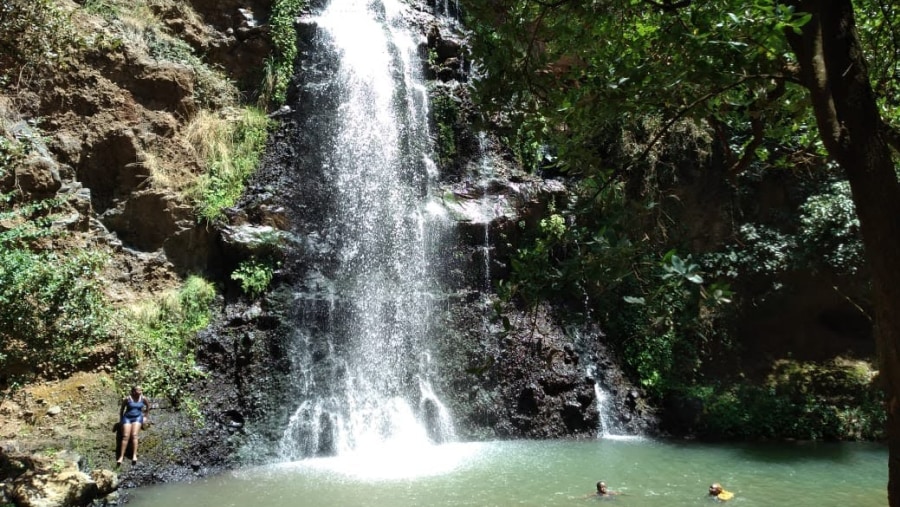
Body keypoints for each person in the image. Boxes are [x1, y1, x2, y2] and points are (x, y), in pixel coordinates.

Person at [117, 385, 150, 466]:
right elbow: (122, 410)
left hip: (137, 418)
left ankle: (134, 455)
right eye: (138, 390)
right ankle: (121, 456)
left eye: (141, 390)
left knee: (134, 435)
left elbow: (148, 407)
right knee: (125, 436)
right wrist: (121, 420)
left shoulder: (143, 398)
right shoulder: (127, 399)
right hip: (127, 418)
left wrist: (145, 416)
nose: (140, 392)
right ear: (134, 391)